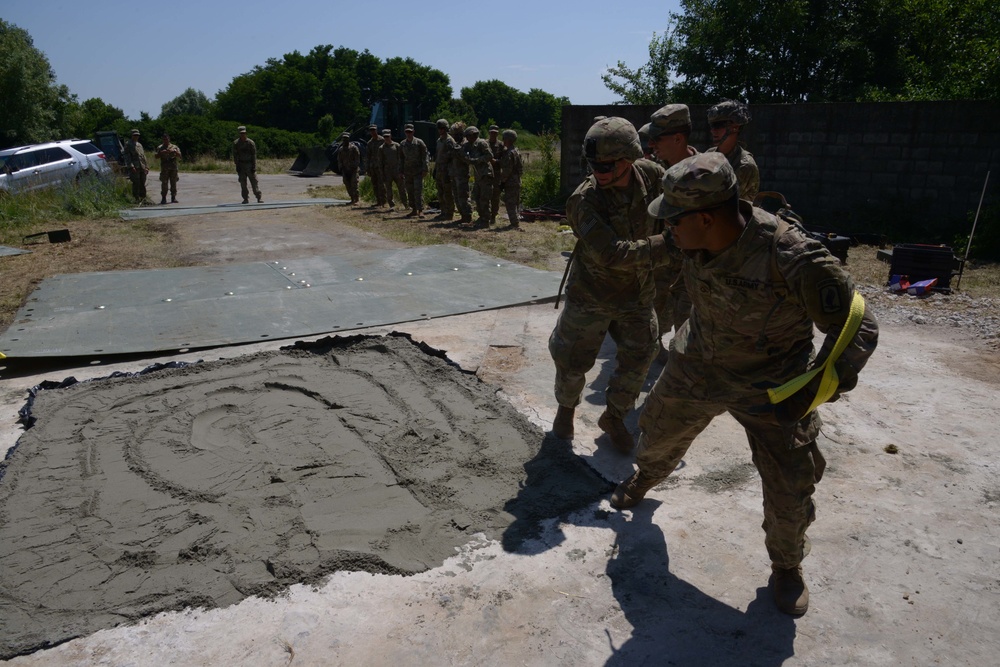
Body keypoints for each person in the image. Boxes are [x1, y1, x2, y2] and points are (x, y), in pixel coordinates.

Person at [612, 152, 880, 616]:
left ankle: (787, 566)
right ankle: (646, 478)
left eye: (674, 219)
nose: (669, 228)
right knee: (655, 431)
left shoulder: (791, 255)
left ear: (707, 217)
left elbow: (859, 326)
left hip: (771, 384)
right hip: (698, 365)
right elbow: (662, 248)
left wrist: (814, 388)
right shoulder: (692, 233)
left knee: (789, 486)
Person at [548, 117, 669, 453]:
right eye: (593, 165)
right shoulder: (583, 201)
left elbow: (678, 202)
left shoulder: (651, 175)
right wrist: (669, 244)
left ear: (629, 158)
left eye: (607, 165)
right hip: (592, 296)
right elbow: (612, 254)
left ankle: (615, 416)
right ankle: (566, 408)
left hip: (637, 294)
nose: (598, 171)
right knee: (572, 360)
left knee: (642, 354)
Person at [639, 104, 698, 361]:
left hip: (693, 260)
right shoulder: (660, 173)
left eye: (656, 139)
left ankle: (684, 359)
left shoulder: (705, 172)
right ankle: (658, 349)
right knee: (656, 305)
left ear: (678, 138)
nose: (651, 145)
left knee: (688, 313)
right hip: (664, 258)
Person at [706, 99, 759, 201]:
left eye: (719, 125)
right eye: (712, 125)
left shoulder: (745, 165)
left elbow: (722, 201)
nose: (713, 130)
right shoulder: (709, 154)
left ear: (736, 127)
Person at [462, 126, 495, 226]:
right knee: (477, 197)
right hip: (478, 175)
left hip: (485, 174)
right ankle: (482, 218)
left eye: (468, 136)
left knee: (484, 198)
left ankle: (485, 220)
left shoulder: (481, 143)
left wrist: (477, 160)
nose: (467, 138)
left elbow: (489, 156)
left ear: (474, 135)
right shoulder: (470, 145)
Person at [399, 123, 429, 217]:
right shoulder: (402, 144)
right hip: (407, 171)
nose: (408, 133)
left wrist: (425, 168)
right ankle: (413, 209)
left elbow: (425, 155)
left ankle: (420, 210)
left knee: (418, 190)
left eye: (410, 132)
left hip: (418, 171)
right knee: (410, 191)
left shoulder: (419, 142)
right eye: (407, 132)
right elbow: (401, 159)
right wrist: (400, 171)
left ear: (413, 132)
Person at [448, 122, 473, 224]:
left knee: (463, 196)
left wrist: (458, 151)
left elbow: (467, 159)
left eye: (455, 134)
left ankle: (467, 216)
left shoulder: (465, 144)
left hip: (462, 174)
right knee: (457, 196)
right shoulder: (455, 144)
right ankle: (463, 215)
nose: (454, 136)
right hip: (454, 173)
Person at [497, 129, 523, 229]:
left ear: (508, 139)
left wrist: (502, 182)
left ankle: (514, 223)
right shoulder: (516, 151)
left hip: (511, 181)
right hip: (516, 180)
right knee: (515, 202)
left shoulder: (509, 153)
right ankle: (515, 221)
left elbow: (507, 169)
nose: (503, 140)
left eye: (504, 138)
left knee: (510, 203)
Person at [378, 129, 407, 211]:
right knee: (389, 190)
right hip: (387, 172)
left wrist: (402, 170)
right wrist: (382, 173)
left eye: (388, 136)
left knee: (402, 189)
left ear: (390, 136)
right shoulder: (381, 148)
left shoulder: (397, 145)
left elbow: (401, 158)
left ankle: (406, 204)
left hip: (397, 170)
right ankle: (392, 205)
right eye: (385, 136)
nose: (386, 138)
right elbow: (380, 162)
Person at [433, 119, 455, 221]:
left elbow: (452, 155)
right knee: (440, 192)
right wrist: (435, 169)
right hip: (439, 169)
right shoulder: (439, 140)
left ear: (445, 128)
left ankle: (449, 213)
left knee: (447, 193)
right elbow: (438, 155)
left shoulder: (449, 140)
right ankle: (443, 212)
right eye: (439, 128)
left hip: (446, 170)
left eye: (442, 128)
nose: (440, 130)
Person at [233, 126, 262, 204]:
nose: (243, 134)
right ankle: (245, 198)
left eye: (244, 133)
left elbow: (254, 155)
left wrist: (254, 166)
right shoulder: (236, 143)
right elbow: (235, 155)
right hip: (241, 165)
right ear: (239, 133)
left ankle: (258, 197)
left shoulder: (250, 143)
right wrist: (237, 165)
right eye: (241, 133)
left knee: (254, 182)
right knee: (243, 183)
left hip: (249, 164)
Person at [155, 132, 181, 205]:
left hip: (173, 168)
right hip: (164, 168)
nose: (165, 140)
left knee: (174, 183)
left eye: (166, 139)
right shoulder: (160, 147)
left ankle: (173, 197)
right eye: (164, 139)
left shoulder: (174, 147)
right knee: (164, 183)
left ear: (169, 139)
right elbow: (156, 156)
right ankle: (164, 198)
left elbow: (180, 156)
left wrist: (174, 152)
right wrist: (161, 153)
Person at [123, 129, 148, 204]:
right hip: (135, 167)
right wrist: (131, 166)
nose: (136, 136)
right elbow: (127, 156)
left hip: (142, 166)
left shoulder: (139, 145)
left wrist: (146, 166)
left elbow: (143, 156)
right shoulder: (128, 144)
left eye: (137, 135)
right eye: (135, 135)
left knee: (142, 182)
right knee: (136, 182)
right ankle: (136, 198)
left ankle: (143, 198)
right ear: (132, 135)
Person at [336, 132, 361, 205]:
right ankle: (352, 198)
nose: (345, 141)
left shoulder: (353, 148)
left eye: (346, 139)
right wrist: (341, 167)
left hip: (353, 170)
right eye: (344, 139)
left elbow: (357, 158)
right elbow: (339, 159)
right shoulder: (341, 149)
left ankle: (356, 199)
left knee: (354, 184)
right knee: (347, 184)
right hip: (345, 170)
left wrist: (354, 166)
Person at [365, 124, 385, 207]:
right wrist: (368, 168)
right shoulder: (369, 143)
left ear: (377, 130)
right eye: (371, 130)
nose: (373, 132)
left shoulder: (382, 140)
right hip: (373, 167)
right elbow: (368, 156)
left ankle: (384, 202)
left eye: (374, 130)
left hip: (381, 166)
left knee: (382, 185)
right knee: (375, 184)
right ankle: (378, 201)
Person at [487, 125, 504, 222]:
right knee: (485, 195)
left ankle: (493, 215)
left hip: (496, 174)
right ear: (489, 133)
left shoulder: (501, 145)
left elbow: (505, 160)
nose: (493, 134)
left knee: (495, 196)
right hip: (486, 173)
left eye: (495, 133)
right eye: (491, 132)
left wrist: (496, 161)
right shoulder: (484, 143)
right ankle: (485, 215)